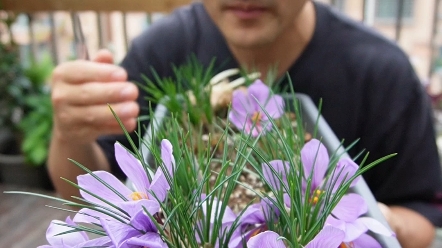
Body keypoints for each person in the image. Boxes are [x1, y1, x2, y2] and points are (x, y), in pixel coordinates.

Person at [48, 0, 442, 247]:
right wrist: (69, 133)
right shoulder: (162, 48)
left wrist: (370, 219)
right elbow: (88, 195)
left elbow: (424, 220)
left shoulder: (382, 71)